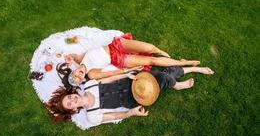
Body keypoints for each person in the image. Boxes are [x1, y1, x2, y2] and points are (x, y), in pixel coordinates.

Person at [45, 66, 214, 126]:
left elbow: (110, 78)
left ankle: (189, 71)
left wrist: (127, 74)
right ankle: (178, 84)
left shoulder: (88, 84)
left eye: (69, 98)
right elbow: (115, 115)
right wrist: (132, 112)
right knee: (161, 77)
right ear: (74, 109)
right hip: (132, 98)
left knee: (160, 75)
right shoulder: (91, 116)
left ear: (72, 94)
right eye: (69, 104)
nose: (72, 100)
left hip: (131, 83)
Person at [64, 33, 200, 85]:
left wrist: (69, 57)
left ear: (74, 71)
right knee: (152, 61)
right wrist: (129, 69)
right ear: (82, 79)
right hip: (118, 59)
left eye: (75, 75)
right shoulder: (91, 74)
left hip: (115, 45)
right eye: (79, 79)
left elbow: (73, 56)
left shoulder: (79, 60)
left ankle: (159, 50)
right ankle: (185, 62)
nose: (79, 76)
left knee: (149, 48)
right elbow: (111, 73)